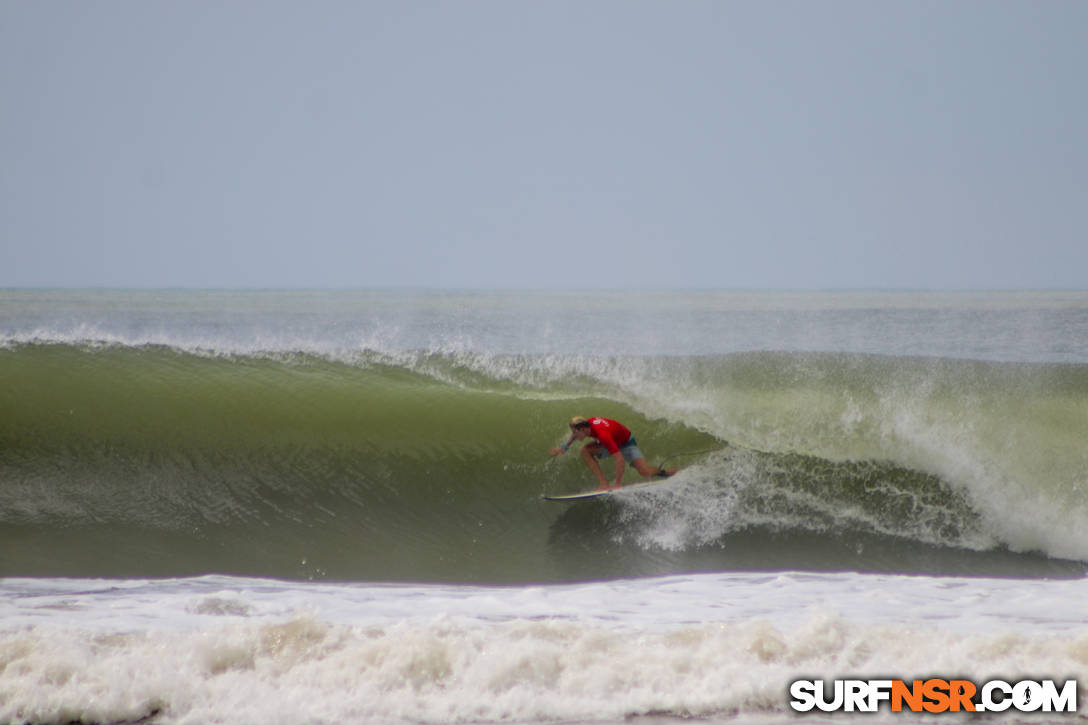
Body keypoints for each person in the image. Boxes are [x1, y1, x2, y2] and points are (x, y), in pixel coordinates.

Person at [548, 416, 677, 490]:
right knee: (585, 450)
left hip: (627, 443)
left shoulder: (602, 435)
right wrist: (564, 448)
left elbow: (620, 459)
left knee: (645, 472)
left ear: (582, 429)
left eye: (575, 432)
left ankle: (663, 472)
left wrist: (617, 485)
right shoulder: (587, 425)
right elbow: (574, 436)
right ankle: (603, 483)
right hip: (612, 441)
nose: (574, 435)